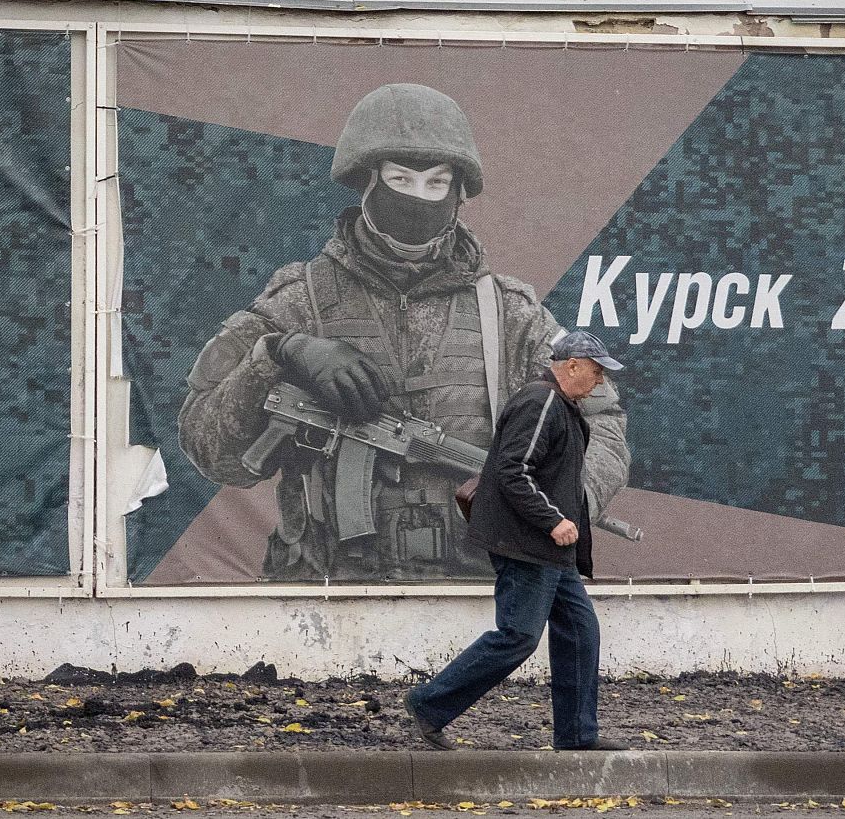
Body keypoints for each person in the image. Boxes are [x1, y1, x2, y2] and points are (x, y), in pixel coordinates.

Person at [178, 83, 630, 581]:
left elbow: (600, 424)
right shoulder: (298, 300)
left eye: (437, 183)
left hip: (479, 588)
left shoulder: (509, 313)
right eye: (400, 179)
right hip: (323, 589)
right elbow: (212, 451)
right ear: (368, 180)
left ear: (458, 193)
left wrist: (563, 500)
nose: (418, 198)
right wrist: (279, 353)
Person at [403, 330, 629, 752]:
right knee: (518, 636)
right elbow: (513, 470)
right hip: (528, 546)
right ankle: (428, 704)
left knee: (580, 633)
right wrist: (552, 521)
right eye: (597, 371)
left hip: (551, 551)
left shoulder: (560, 405)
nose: (600, 381)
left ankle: (577, 736)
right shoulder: (541, 402)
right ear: (572, 366)